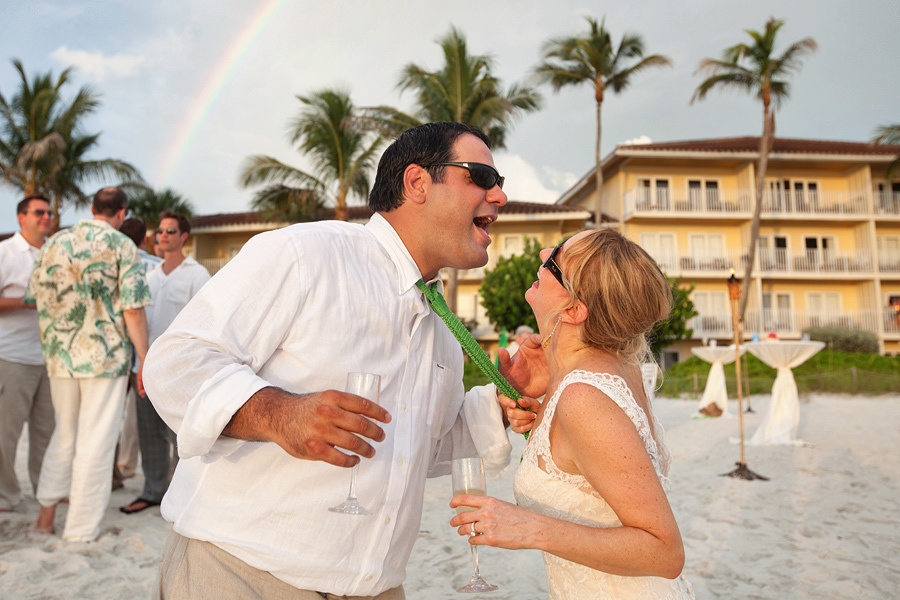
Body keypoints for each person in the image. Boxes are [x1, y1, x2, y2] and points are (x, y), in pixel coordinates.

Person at [143, 122, 546, 599]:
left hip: (373, 586)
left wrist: (500, 406)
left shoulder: (441, 324)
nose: (499, 196)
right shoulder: (306, 254)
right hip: (241, 571)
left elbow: (413, 441)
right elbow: (175, 362)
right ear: (417, 182)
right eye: (481, 176)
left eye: (500, 183)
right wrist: (279, 415)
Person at [450, 229, 696, 599]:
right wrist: (534, 416)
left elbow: (664, 551)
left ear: (574, 310)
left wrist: (531, 529)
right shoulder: (609, 369)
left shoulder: (584, 396)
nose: (544, 250)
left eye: (555, 260)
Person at [27, 187, 151, 542]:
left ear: (92, 208)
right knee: (95, 441)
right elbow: (133, 308)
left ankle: (45, 518)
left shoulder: (55, 243)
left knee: (64, 436)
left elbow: (35, 297)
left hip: (59, 356)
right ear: (122, 213)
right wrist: (144, 358)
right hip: (104, 357)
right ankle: (80, 531)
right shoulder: (123, 246)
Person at [120, 211, 209, 515]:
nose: (164, 235)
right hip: (145, 366)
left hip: (181, 370)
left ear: (184, 236)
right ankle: (153, 491)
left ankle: (184, 496)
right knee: (148, 434)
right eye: (160, 231)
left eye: (171, 231)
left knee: (181, 436)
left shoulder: (197, 275)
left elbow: (206, 322)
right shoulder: (149, 275)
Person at [0, 195, 54, 513]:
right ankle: (6, 495)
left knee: (46, 433)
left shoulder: (54, 253)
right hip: (13, 357)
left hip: (51, 358)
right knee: (6, 433)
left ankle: (44, 492)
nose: (46, 217)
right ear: (21, 217)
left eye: (49, 212)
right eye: (39, 212)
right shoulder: (5, 253)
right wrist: (28, 300)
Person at [113, 218, 162, 484]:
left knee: (110, 416)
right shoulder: (157, 267)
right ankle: (128, 465)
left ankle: (113, 474)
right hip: (145, 352)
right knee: (135, 418)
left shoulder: (114, 263)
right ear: (145, 239)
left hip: (117, 352)